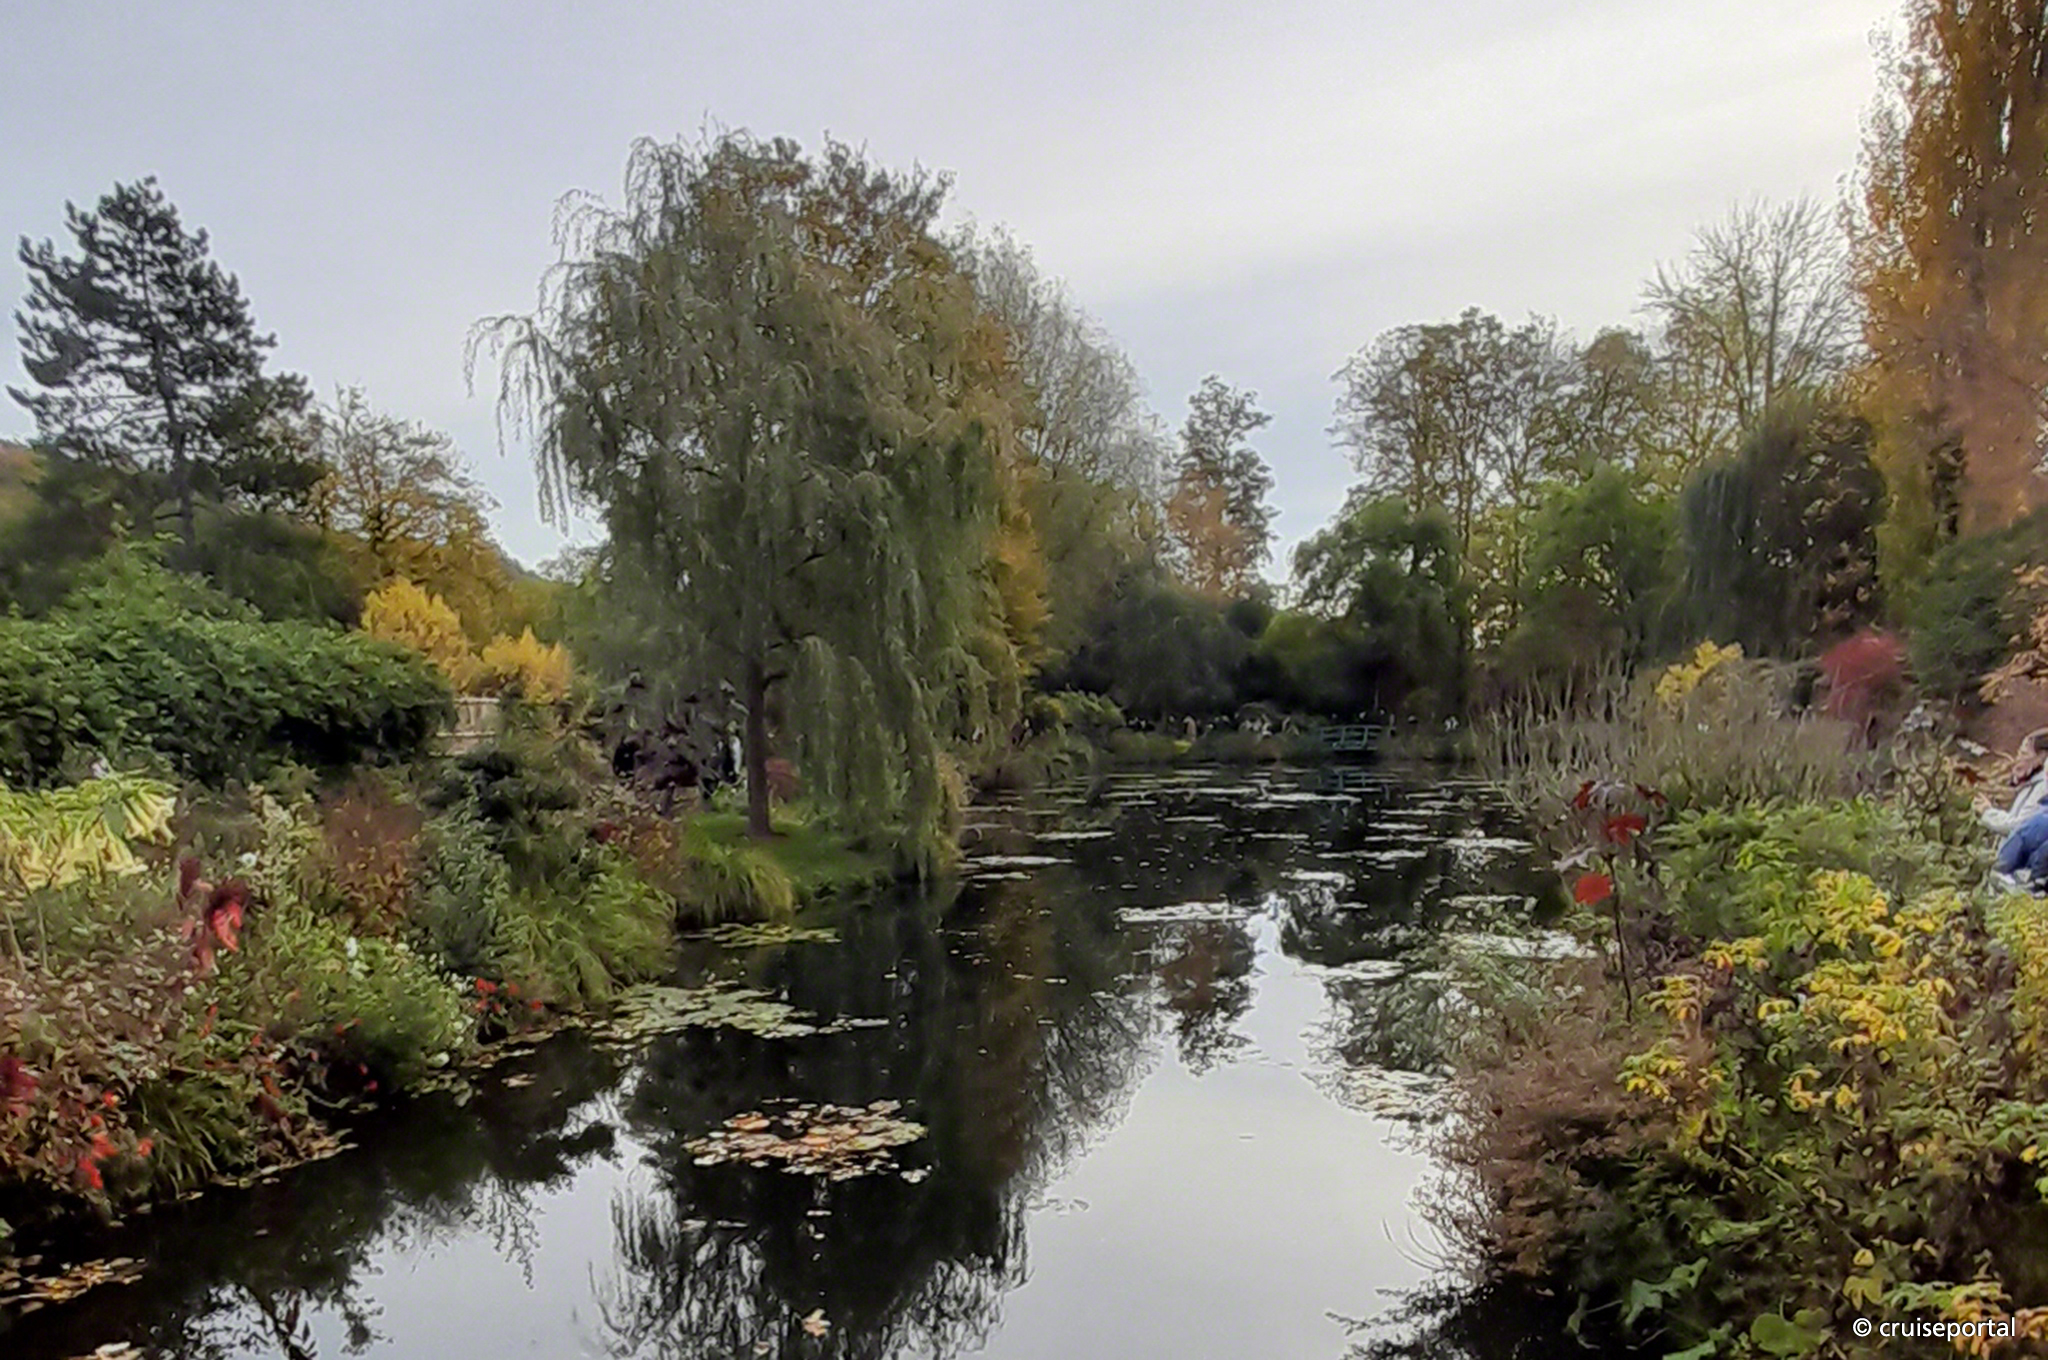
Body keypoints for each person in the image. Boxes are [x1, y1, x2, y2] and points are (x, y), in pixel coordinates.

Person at [1995, 807, 2048, 890]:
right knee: (1998, 871)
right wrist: (2035, 878)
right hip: (2022, 841)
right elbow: (2042, 855)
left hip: (2026, 838)